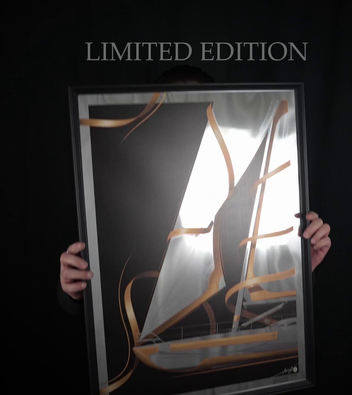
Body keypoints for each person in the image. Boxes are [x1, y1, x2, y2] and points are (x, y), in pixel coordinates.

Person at [58, 66, 332, 313]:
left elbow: (276, 309)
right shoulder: (117, 204)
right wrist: (74, 291)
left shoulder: (257, 200)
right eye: (179, 117)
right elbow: (100, 313)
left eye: (203, 118)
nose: (192, 131)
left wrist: (301, 268)